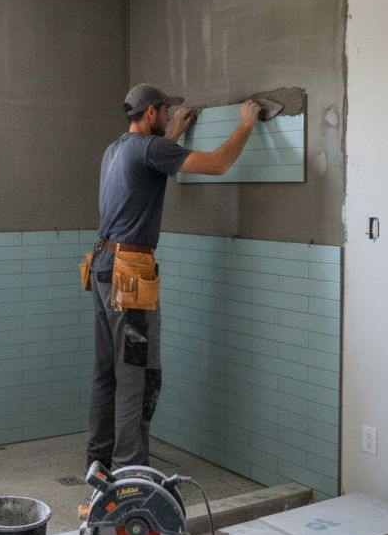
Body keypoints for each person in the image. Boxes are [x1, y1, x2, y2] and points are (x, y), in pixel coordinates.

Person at [86, 83, 260, 472]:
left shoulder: (115, 149)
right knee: (138, 375)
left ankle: (98, 463)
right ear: (151, 113)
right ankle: (130, 468)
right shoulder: (152, 148)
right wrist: (246, 125)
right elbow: (217, 164)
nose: (169, 116)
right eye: (166, 111)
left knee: (107, 373)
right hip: (130, 278)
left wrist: (174, 133)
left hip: (102, 269)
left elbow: (151, 158)